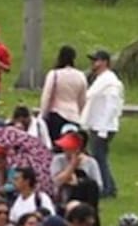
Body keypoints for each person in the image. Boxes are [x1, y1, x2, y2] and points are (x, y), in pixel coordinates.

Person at [80, 49, 124, 199]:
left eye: (96, 60)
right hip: (98, 124)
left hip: (103, 126)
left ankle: (107, 188)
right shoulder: (101, 79)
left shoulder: (109, 81)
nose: (93, 63)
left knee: (99, 157)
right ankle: (109, 186)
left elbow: (111, 106)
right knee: (100, 156)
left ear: (105, 62)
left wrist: (103, 129)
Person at [39, 46, 87, 141]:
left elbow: (46, 96)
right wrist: (79, 112)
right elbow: (82, 99)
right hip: (74, 115)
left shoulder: (55, 74)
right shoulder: (81, 76)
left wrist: (43, 114)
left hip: (56, 114)